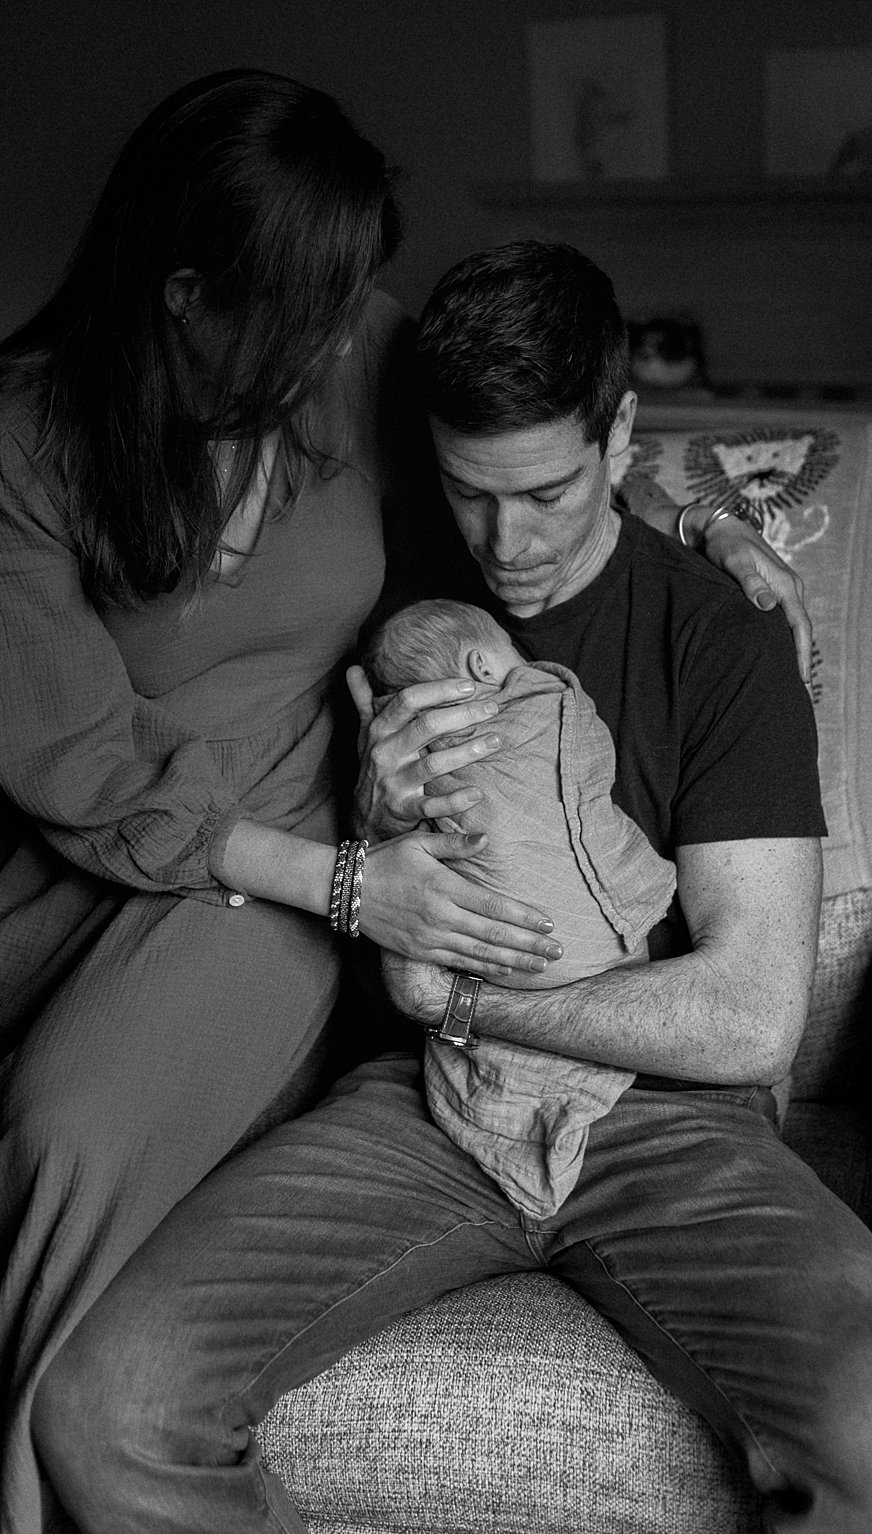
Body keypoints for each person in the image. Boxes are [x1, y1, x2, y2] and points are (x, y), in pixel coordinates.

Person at [32, 239, 872, 1533]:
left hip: (666, 1120)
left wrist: (466, 999)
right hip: (419, 1114)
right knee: (106, 1406)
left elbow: (750, 1018)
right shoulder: (390, 587)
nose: (508, 542)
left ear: (620, 438)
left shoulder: (721, 636)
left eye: (545, 493)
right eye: (471, 493)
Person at [0, 71, 566, 1534]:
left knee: (71, 1127)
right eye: (309, 307)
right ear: (185, 294)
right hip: (95, 852)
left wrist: (709, 536)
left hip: (301, 837)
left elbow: (528, 459)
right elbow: (74, 752)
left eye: (350, 295)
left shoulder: (354, 348)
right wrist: (342, 889)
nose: (341, 336)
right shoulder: (26, 433)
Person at [361, 597, 676, 1221]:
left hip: (503, 982)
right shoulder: (546, 698)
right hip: (611, 957)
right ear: (482, 664)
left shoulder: (416, 767)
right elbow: (577, 729)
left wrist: (379, 834)